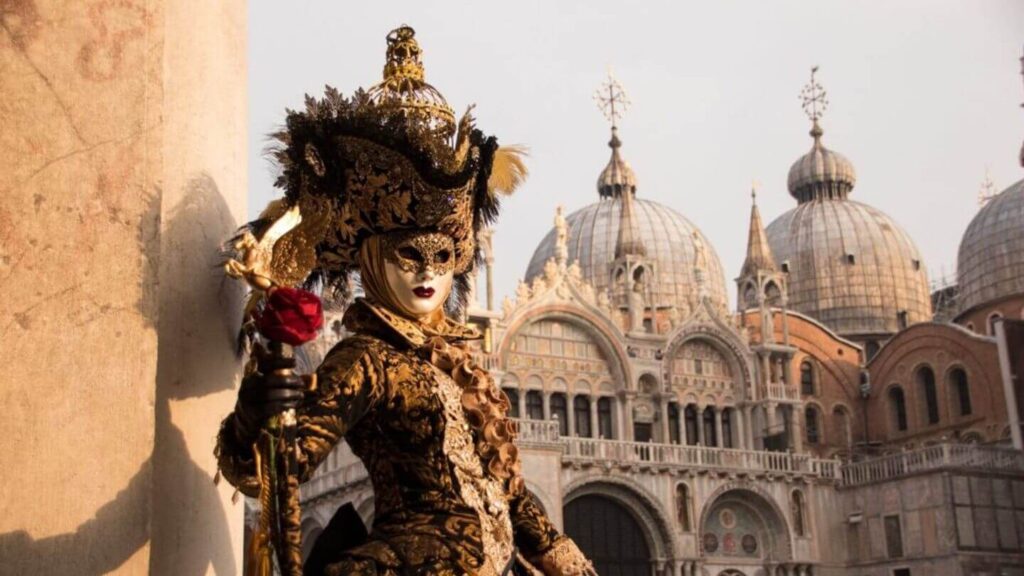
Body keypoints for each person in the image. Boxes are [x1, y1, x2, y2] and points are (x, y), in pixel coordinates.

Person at [215, 26, 595, 576]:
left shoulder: (460, 369)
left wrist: (566, 559)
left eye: (442, 260)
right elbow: (271, 469)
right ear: (372, 259)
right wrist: (262, 396)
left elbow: (507, 496)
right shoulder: (366, 359)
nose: (427, 274)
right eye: (409, 256)